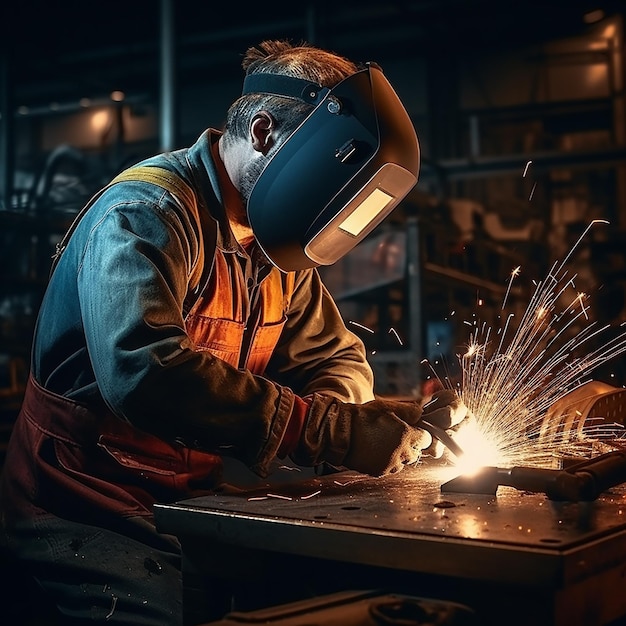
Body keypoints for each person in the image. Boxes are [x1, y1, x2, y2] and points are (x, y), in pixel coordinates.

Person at [0, 40, 467, 625]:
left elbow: (332, 357)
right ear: (266, 133)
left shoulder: (275, 243)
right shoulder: (147, 213)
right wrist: (324, 431)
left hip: (190, 500)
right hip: (83, 506)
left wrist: (357, 419)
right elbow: (144, 372)